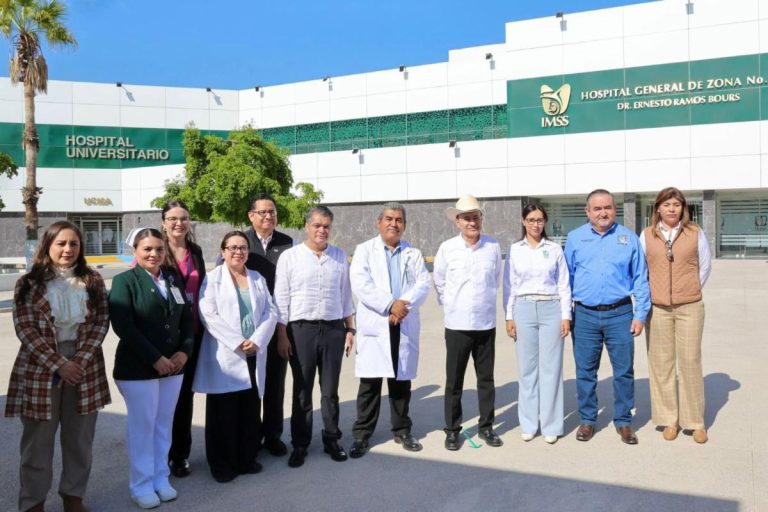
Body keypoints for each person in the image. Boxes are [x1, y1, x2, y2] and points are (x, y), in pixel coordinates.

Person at [6, 221, 111, 512]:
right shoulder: (29, 283)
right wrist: (58, 365)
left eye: (73, 244)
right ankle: (33, 503)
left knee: (79, 440)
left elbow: (101, 322)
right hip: (40, 367)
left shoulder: (93, 280)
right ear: (48, 246)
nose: (67, 249)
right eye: (61, 243)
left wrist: (78, 361)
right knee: (37, 444)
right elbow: (25, 329)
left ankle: (73, 498)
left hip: (84, 367)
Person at [109, 228, 194, 509]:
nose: (154, 254)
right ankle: (141, 485)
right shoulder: (124, 281)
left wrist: (184, 351)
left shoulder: (172, 280)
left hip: (174, 367)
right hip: (138, 369)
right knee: (143, 427)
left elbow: (187, 320)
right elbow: (124, 326)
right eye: (147, 249)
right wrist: (155, 358)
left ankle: (160, 478)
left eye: (159, 249)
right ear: (135, 251)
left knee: (163, 424)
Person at [564, 189, 650, 445]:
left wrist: (640, 314)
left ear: (615, 209)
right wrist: (566, 314)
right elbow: (566, 278)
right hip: (585, 316)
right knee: (585, 371)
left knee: (623, 371)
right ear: (587, 211)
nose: (603, 213)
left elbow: (640, 278)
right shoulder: (575, 238)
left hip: (620, 314)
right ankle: (587, 419)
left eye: (608, 207)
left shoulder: (628, 238)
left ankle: (623, 421)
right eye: (597, 208)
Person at [347, 202, 431, 458]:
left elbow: (423, 283)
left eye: (399, 220)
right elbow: (361, 284)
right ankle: (362, 435)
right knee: (370, 383)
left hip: (402, 322)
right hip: (377, 323)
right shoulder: (364, 250)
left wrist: (401, 307)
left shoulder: (412, 253)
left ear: (404, 225)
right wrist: (390, 305)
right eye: (389, 219)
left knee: (401, 382)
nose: (394, 224)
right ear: (379, 222)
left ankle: (402, 430)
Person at [274, 206, 356, 468]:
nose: (322, 230)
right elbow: (281, 299)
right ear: (306, 226)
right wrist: (282, 335)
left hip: (333, 329)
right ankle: (300, 443)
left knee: (330, 390)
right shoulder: (290, 257)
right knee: (302, 389)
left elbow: (345, 295)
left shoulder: (339, 256)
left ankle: (332, 438)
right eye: (317, 225)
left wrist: (350, 329)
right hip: (301, 330)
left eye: (326, 226)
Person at [193, 231, 277, 481]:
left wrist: (257, 340)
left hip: (253, 352)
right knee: (224, 413)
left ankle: (246, 458)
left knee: (249, 409)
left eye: (243, 248)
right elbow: (208, 314)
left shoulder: (257, 278)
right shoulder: (213, 279)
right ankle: (221, 465)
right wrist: (237, 342)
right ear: (223, 251)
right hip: (227, 354)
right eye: (233, 248)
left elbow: (271, 311)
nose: (238, 252)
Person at [640, 187, 712, 443]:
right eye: (667, 204)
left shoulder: (695, 233)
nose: (672, 209)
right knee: (661, 364)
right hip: (658, 308)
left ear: (683, 208)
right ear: (658, 208)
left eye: (677, 204)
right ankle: (669, 420)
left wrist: (689, 289)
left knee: (690, 361)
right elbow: (641, 269)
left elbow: (704, 266)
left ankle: (695, 422)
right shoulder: (646, 235)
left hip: (689, 307)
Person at [433, 194, 503, 451]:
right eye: (467, 218)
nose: (472, 222)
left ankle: (487, 427)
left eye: (476, 217)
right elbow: (439, 281)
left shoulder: (493, 246)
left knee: (486, 380)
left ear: (481, 219)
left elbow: (496, 279)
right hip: (457, 325)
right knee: (454, 381)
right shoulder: (447, 248)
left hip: (485, 324)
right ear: (458, 222)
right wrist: (453, 304)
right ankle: (452, 430)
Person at [504, 204, 571, 444]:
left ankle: (551, 424)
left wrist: (566, 316)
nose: (536, 224)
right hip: (523, 308)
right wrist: (509, 316)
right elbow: (509, 286)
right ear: (523, 221)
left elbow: (563, 284)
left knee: (551, 368)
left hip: (551, 308)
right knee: (527, 369)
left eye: (540, 220)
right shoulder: (515, 250)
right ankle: (529, 423)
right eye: (531, 220)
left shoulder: (554, 249)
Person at [243, 194, 294, 457]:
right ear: (251, 216)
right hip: (250, 326)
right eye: (262, 212)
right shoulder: (242, 241)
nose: (268, 216)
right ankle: (251, 436)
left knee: (275, 381)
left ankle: (273, 435)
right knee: (251, 383)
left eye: (272, 211)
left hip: (278, 323)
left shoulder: (286, 243)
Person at [163, 201, 207, 478]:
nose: (179, 223)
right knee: (164, 400)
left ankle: (180, 455)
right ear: (163, 222)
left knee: (184, 398)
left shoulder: (196, 251)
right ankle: (160, 454)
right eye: (173, 218)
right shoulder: (155, 249)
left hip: (193, 335)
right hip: (166, 337)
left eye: (184, 218)